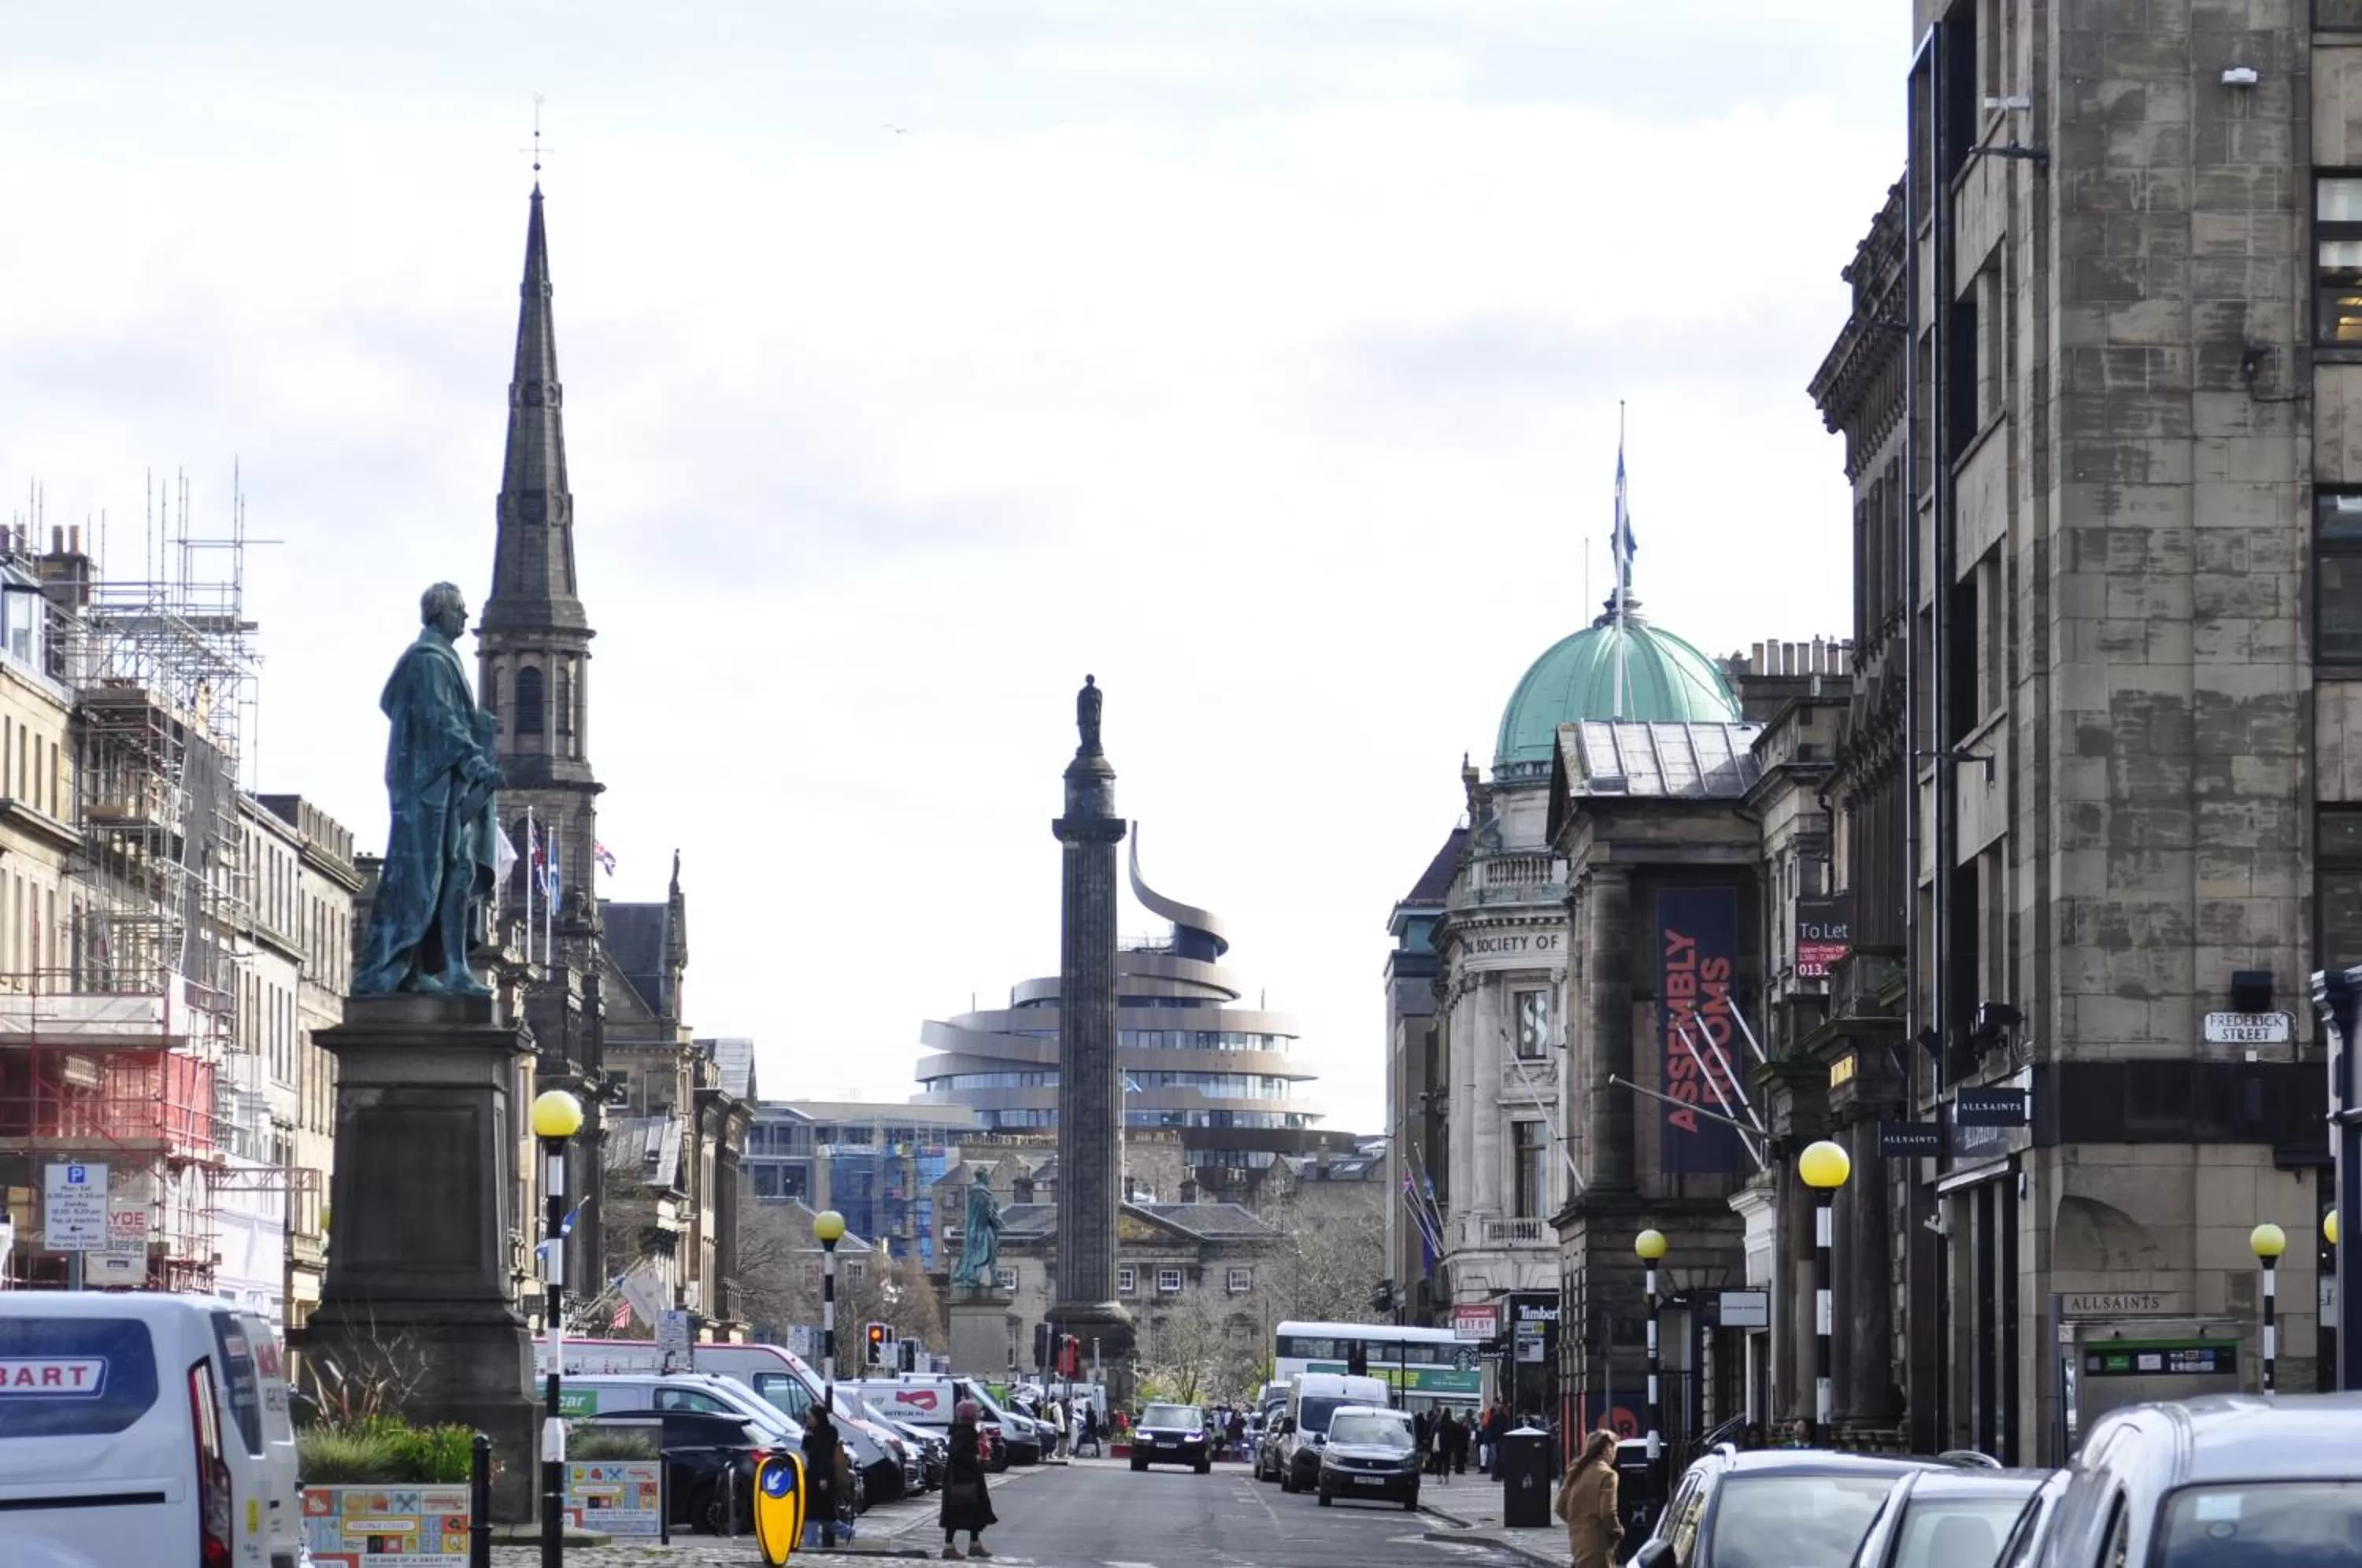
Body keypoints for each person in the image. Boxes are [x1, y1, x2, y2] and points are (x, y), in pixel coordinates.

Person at [1554, 1430, 1623, 1568]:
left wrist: (1579, 1522)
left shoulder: (1576, 1471)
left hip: (1578, 1543)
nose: (1615, 1454)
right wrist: (1617, 1532)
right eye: (1614, 1449)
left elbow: (1560, 1508)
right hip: (1599, 1545)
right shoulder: (1607, 1475)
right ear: (1607, 1449)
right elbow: (1608, 1513)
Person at [940, 1399, 998, 1559]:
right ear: (971, 1416)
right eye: (976, 1414)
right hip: (962, 1480)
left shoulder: (964, 1431)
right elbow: (957, 1454)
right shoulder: (964, 1432)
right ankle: (949, 1547)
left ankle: (975, 1544)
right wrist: (976, 1459)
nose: (978, 1417)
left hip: (965, 1478)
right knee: (957, 1514)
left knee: (975, 1513)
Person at [802, 1406, 854, 1550]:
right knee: (824, 1515)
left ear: (818, 1417)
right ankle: (847, 1532)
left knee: (813, 1512)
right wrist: (807, 1434)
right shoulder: (811, 1432)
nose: (808, 1420)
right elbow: (805, 1449)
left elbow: (825, 1456)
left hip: (823, 1478)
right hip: (812, 1476)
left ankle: (810, 1544)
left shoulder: (829, 1432)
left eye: (811, 1417)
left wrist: (823, 1477)